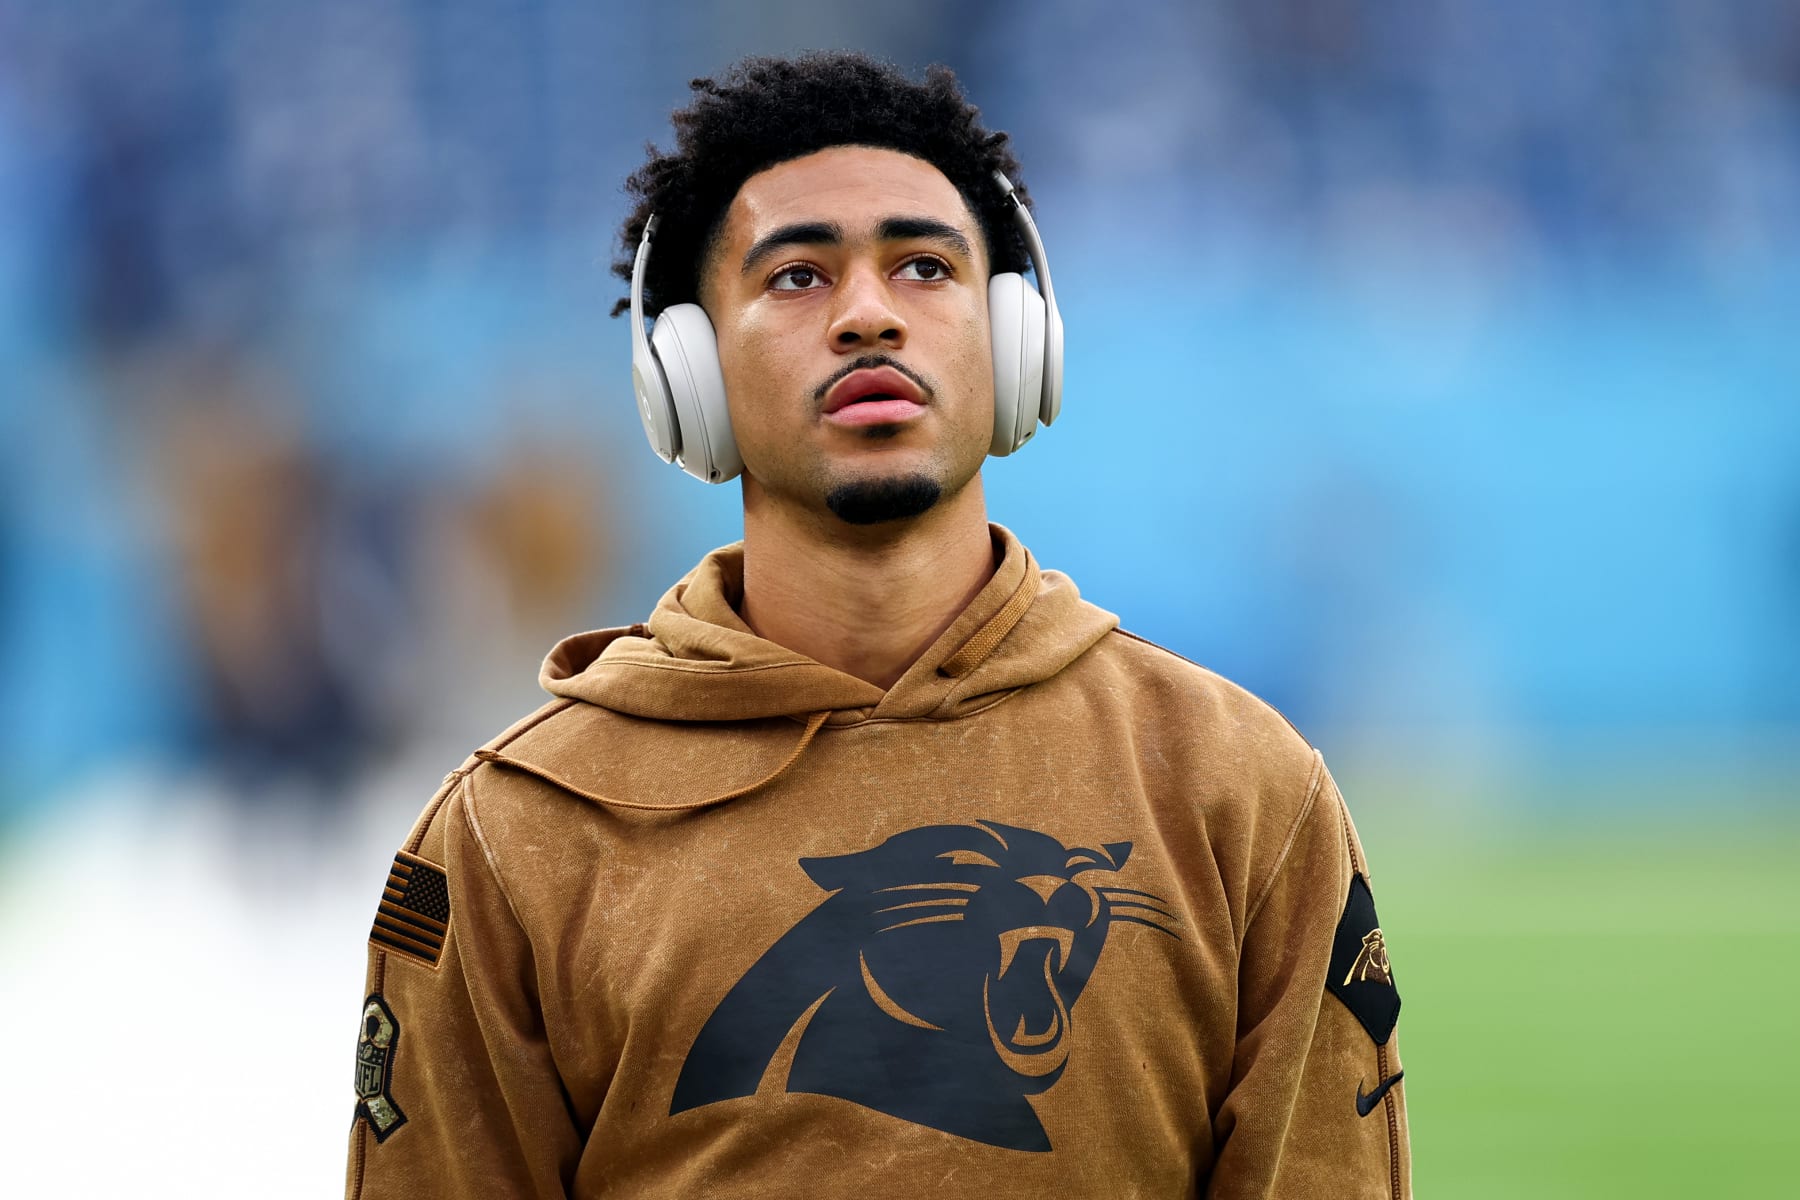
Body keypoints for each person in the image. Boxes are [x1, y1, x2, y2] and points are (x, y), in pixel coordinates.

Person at [346, 52, 1411, 1200]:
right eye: (798, 277)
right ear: (685, 372)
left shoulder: (1238, 793)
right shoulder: (516, 840)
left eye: (923, 266)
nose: (867, 315)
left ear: (1014, 341)